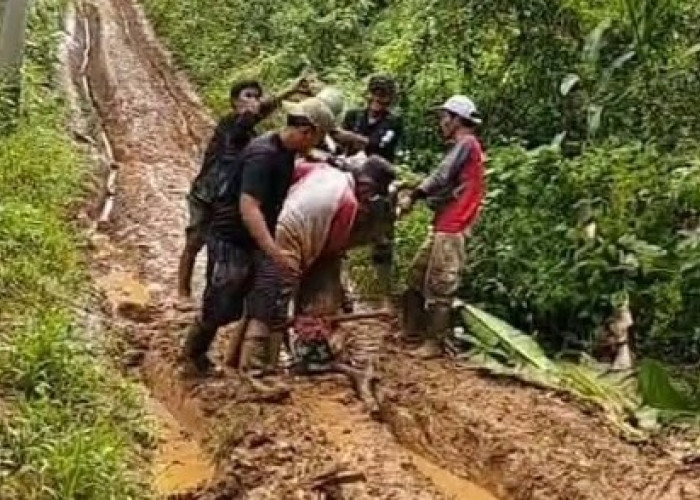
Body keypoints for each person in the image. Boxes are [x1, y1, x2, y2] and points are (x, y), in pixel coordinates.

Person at [179, 97, 335, 376]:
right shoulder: (263, 155)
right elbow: (249, 207)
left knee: (265, 295)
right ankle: (192, 355)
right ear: (307, 132)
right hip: (232, 238)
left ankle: (254, 367)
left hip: (257, 239)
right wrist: (274, 251)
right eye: (318, 138)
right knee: (222, 303)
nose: (316, 144)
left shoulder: (284, 150)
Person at [232, 153, 397, 375]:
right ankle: (259, 368)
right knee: (275, 308)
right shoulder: (349, 203)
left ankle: (235, 358)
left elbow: (290, 175)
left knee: (260, 298)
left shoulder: (321, 170)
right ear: (366, 186)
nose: (368, 200)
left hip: (267, 227)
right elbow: (330, 249)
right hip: (288, 242)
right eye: (371, 195)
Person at [177, 76, 311, 301]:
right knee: (194, 241)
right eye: (247, 96)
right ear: (234, 102)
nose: (253, 101)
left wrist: (291, 91)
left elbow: (261, 112)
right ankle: (183, 291)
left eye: (256, 97)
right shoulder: (229, 124)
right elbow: (251, 117)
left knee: (218, 249)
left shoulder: (254, 136)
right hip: (206, 194)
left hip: (226, 200)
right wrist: (287, 92)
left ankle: (212, 297)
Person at [398, 95, 486, 359]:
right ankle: (411, 332)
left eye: (444, 117)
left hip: (454, 224)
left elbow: (441, 175)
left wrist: (414, 195)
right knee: (415, 276)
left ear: (457, 119)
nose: (441, 123)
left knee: (441, 284)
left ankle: (434, 342)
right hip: (444, 222)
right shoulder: (463, 147)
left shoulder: (467, 143)